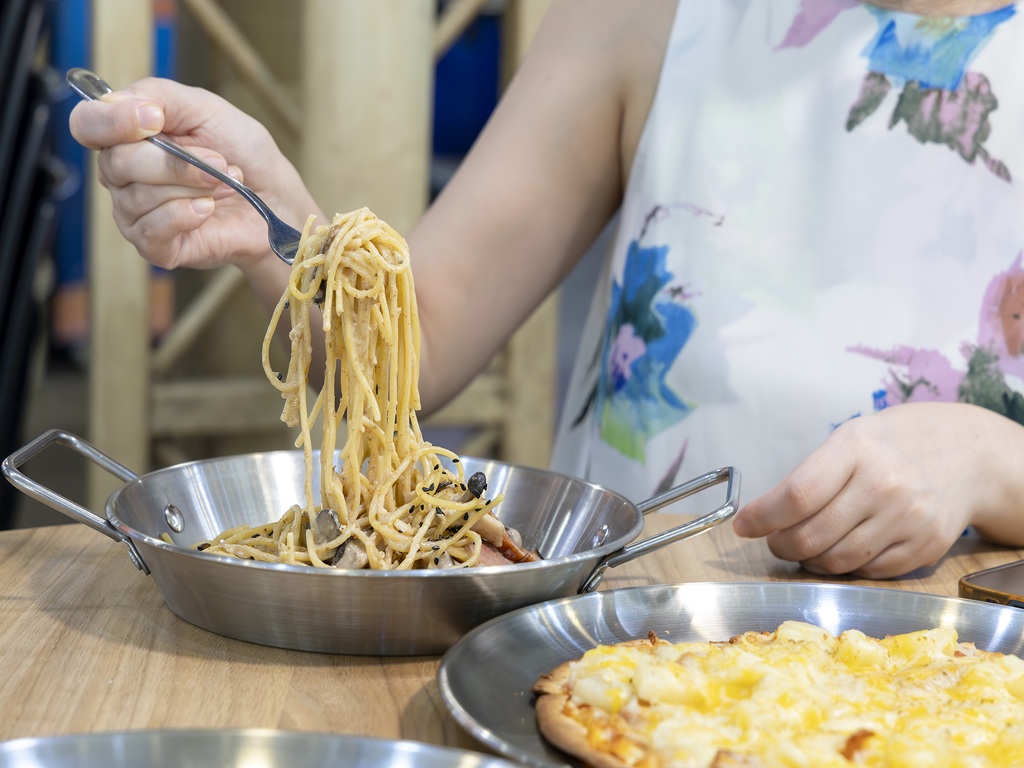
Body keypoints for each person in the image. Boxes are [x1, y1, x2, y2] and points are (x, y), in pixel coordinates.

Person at [70, 0, 1024, 579]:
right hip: (633, 653)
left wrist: (988, 460)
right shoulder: (646, 14)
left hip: (957, 680)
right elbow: (419, 346)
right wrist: (275, 217)